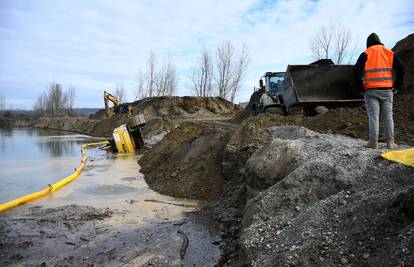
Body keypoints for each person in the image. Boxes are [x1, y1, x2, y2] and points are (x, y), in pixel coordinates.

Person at [354, 33, 404, 149]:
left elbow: (356, 72)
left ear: (368, 44)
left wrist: (361, 88)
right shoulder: (389, 53)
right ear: (379, 41)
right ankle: (390, 143)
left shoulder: (366, 54)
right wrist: (397, 86)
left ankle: (373, 142)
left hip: (371, 91)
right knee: (388, 117)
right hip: (387, 91)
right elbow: (401, 69)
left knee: (373, 117)